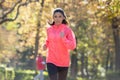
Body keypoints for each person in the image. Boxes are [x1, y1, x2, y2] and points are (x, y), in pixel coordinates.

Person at [43, 8, 76, 80]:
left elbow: (73, 46)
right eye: (55, 16)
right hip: (51, 60)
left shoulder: (67, 30)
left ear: (63, 17)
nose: (57, 19)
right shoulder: (49, 30)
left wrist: (64, 38)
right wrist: (45, 45)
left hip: (63, 62)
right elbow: (48, 40)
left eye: (60, 16)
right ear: (53, 18)